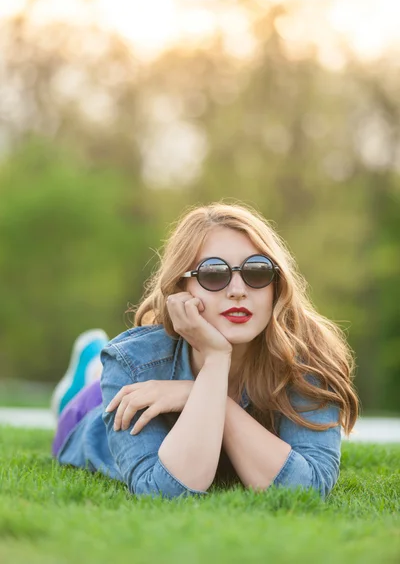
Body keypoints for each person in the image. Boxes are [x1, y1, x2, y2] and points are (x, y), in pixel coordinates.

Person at [51, 202, 359, 501]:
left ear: (276, 285)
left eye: (256, 271)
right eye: (214, 274)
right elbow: (164, 492)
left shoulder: (307, 359)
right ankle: (87, 373)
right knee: (84, 397)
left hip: (175, 385)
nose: (238, 290)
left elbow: (308, 489)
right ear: (181, 290)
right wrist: (215, 360)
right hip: (94, 413)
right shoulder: (133, 363)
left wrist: (201, 395)